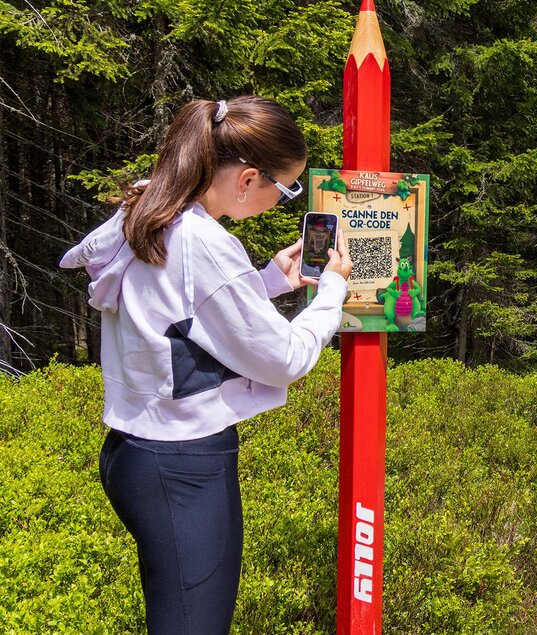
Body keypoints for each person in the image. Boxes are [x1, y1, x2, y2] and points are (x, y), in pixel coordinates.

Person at [60, 96, 352, 633]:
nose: (282, 202)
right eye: (285, 189)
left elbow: (175, 312)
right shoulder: (205, 244)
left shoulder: (150, 208)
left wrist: (266, 281)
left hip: (133, 452)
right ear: (246, 179)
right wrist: (331, 291)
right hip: (183, 466)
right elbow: (285, 359)